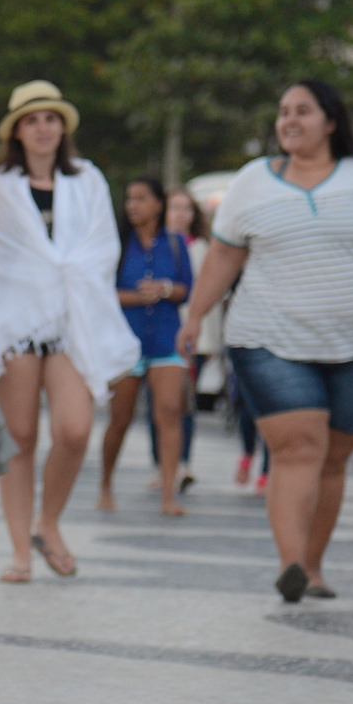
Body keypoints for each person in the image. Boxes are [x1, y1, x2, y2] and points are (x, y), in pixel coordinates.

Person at [180, 80, 353, 604]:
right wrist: (194, 317)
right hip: (268, 339)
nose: (289, 120)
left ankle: (313, 566)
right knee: (299, 449)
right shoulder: (252, 182)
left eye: (303, 112)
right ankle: (291, 563)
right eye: (283, 112)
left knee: (334, 458)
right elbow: (225, 256)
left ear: (331, 121)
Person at [0, 82, 139, 581]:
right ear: (17, 132)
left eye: (50, 118)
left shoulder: (88, 179)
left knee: (74, 429)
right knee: (18, 435)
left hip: (72, 320)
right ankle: (20, 550)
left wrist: (64, 274)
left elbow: (102, 248)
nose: (42, 128)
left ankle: (49, 521)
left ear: (62, 126)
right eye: (31, 120)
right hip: (15, 320)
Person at [98, 177, 193, 517]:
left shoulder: (176, 244)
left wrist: (164, 288)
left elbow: (187, 289)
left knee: (169, 412)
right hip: (126, 342)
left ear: (158, 204)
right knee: (120, 418)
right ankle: (106, 483)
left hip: (167, 339)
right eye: (129, 198)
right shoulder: (116, 245)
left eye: (141, 198)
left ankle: (169, 493)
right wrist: (139, 296)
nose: (133, 205)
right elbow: (100, 291)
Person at [149, 187, 210, 489]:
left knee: (182, 403)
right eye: (175, 207)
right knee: (158, 404)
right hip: (158, 334)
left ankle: (182, 462)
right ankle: (161, 464)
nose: (181, 214)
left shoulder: (202, 248)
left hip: (191, 335)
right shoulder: (155, 246)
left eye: (187, 208)